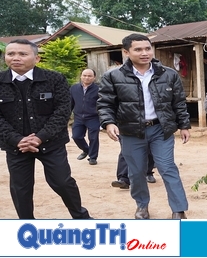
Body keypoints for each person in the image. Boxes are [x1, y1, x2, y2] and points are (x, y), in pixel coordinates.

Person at [97, 33, 191, 219]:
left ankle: (178, 209)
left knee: (167, 168)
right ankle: (142, 206)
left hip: (160, 129)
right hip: (131, 131)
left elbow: (179, 102)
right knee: (137, 171)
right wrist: (108, 123)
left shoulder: (168, 74)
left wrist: (184, 125)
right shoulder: (113, 76)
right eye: (138, 49)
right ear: (126, 52)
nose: (144, 53)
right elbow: (105, 103)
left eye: (147, 48)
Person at [0, 39, 91, 219]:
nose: (15, 58)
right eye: (11, 54)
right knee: (20, 188)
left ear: (37, 58)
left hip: (51, 143)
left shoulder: (54, 79)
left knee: (62, 182)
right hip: (16, 146)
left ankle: (81, 217)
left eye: (22, 54)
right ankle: (27, 224)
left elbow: (63, 111)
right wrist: (17, 139)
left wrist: (40, 137)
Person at [70, 68, 100, 165]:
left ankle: (93, 157)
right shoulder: (74, 88)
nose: (87, 78)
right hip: (78, 117)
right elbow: (70, 103)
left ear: (94, 77)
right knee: (76, 136)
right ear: (81, 76)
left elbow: (103, 104)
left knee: (93, 138)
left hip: (93, 117)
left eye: (89, 76)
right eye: (84, 75)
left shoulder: (99, 89)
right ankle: (86, 150)